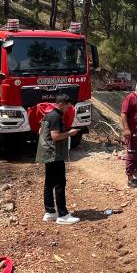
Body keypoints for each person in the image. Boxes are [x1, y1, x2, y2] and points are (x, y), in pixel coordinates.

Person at [37, 94, 81, 225]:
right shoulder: (56, 117)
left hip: (47, 154)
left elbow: (40, 130)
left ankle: (50, 212)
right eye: (68, 106)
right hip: (55, 155)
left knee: (49, 183)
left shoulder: (48, 115)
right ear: (61, 104)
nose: (69, 108)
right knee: (60, 184)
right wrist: (70, 133)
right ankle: (63, 215)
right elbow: (55, 136)